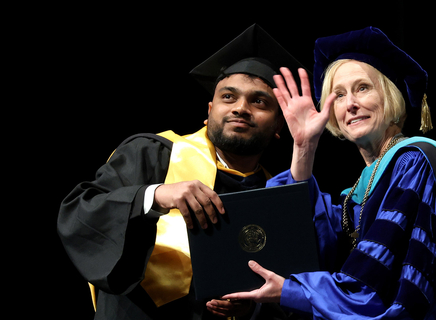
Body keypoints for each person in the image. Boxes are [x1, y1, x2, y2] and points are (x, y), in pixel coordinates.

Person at [220, 27, 436, 319]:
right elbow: (310, 250)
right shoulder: (358, 190)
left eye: (363, 88)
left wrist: (292, 291)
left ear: (391, 96)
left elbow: (372, 285)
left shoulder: (413, 162)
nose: (350, 104)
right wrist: (304, 147)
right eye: (338, 95)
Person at [57, 24, 311, 320]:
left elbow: (290, 290)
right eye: (229, 97)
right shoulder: (153, 153)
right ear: (209, 110)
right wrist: (155, 195)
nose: (241, 108)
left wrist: (252, 307)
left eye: (259, 101)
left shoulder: (277, 195)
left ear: (279, 125)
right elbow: (80, 214)